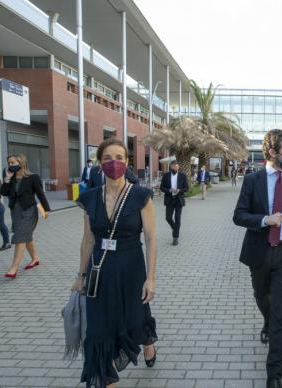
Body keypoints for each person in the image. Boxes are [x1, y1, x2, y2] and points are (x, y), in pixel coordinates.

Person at [71, 138, 158, 388]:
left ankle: (147, 343)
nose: (114, 163)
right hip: (99, 268)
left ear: (127, 162)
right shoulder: (89, 199)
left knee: (135, 315)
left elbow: (151, 238)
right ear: (100, 164)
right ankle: (105, 377)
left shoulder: (140, 195)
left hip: (132, 266)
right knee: (98, 328)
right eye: (108, 158)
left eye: (119, 158)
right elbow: (87, 240)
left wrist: (150, 278)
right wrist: (80, 275)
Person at [233, 129, 282, 388]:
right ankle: (266, 320)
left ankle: (275, 371)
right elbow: (239, 215)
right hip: (259, 250)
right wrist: (265, 220)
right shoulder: (253, 180)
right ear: (272, 153)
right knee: (261, 295)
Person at [0, 154, 51, 279]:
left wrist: (46, 209)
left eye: (12, 162)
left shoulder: (33, 177)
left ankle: (14, 268)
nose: (10, 165)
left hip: (29, 210)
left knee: (20, 237)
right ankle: (35, 258)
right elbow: (3, 192)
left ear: (21, 162)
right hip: (15, 211)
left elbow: (40, 193)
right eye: (9, 163)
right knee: (26, 236)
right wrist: (7, 179)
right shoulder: (10, 177)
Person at [160, 161, 188, 246]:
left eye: (176, 166)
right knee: (168, 217)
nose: (175, 168)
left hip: (179, 199)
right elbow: (162, 187)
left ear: (178, 167)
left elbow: (186, 188)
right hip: (169, 199)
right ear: (171, 167)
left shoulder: (183, 176)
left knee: (177, 218)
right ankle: (175, 228)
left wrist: (180, 190)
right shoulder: (166, 175)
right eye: (173, 166)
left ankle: (175, 238)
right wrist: (169, 190)